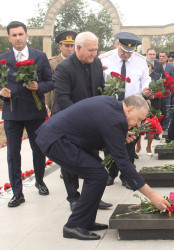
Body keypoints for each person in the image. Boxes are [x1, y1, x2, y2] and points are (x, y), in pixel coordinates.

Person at [35, 95, 171, 240]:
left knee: (99, 175)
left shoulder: (114, 106)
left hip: (62, 137)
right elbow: (124, 163)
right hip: (56, 140)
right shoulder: (115, 120)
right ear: (129, 109)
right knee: (97, 175)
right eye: (139, 119)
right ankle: (73, 225)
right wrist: (152, 195)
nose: (139, 124)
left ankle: (85, 221)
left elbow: (100, 122)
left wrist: (120, 133)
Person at [0, 21, 53, 207]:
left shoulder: (40, 57)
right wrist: (0, 92)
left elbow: (50, 82)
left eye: (21, 34)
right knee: (13, 154)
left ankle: (40, 181)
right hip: (12, 113)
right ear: (9, 38)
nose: (18, 38)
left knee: (39, 149)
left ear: (27, 35)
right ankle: (17, 193)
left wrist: (39, 87)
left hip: (35, 112)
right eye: (14, 35)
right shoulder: (3, 59)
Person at [51, 31, 112, 211]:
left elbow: (99, 91)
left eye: (96, 50)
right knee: (70, 162)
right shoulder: (64, 68)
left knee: (93, 159)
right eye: (91, 50)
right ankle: (73, 197)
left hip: (89, 122)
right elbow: (63, 98)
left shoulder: (97, 63)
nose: (94, 53)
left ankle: (91, 197)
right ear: (78, 48)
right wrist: (82, 118)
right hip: (67, 121)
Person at [100, 32, 151, 186]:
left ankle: (126, 177)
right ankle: (111, 173)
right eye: (123, 51)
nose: (126, 55)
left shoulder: (140, 61)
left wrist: (146, 89)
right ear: (117, 45)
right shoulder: (105, 59)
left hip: (131, 109)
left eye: (130, 52)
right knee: (109, 143)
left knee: (129, 144)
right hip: (110, 107)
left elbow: (145, 78)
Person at [136, 57, 161, 156]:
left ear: (152, 67)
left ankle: (149, 146)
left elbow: (161, 91)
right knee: (138, 125)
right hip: (139, 104)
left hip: (153, 104)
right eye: (144, 66)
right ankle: (138, 146)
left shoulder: (157, 76)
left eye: (148, 66)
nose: (146, 68)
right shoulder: (138, 75)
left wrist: (151, 96)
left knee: (151, 126)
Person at [46, 31, 77, 110]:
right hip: (59, 106)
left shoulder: (79, 62)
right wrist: (45, 106)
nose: (69, 49)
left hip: (76, 104)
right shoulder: (52, 63)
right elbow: (47, 88)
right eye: (67, 46)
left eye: (72, 46)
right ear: (60, 46)